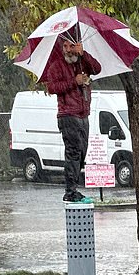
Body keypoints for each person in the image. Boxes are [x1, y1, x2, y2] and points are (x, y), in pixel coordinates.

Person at [45, 38, 102, 202]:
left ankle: (74, 188)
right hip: (68, 115)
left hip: (83, 114)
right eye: (65, 46)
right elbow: (52, 87)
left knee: (82, 152)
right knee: (73, 153)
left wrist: (84, 54)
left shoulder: (83, 62)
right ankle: (70, 191)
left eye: (72, 46)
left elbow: (97, 69)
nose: (68, 50)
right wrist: (73, 82)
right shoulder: (57, 66)